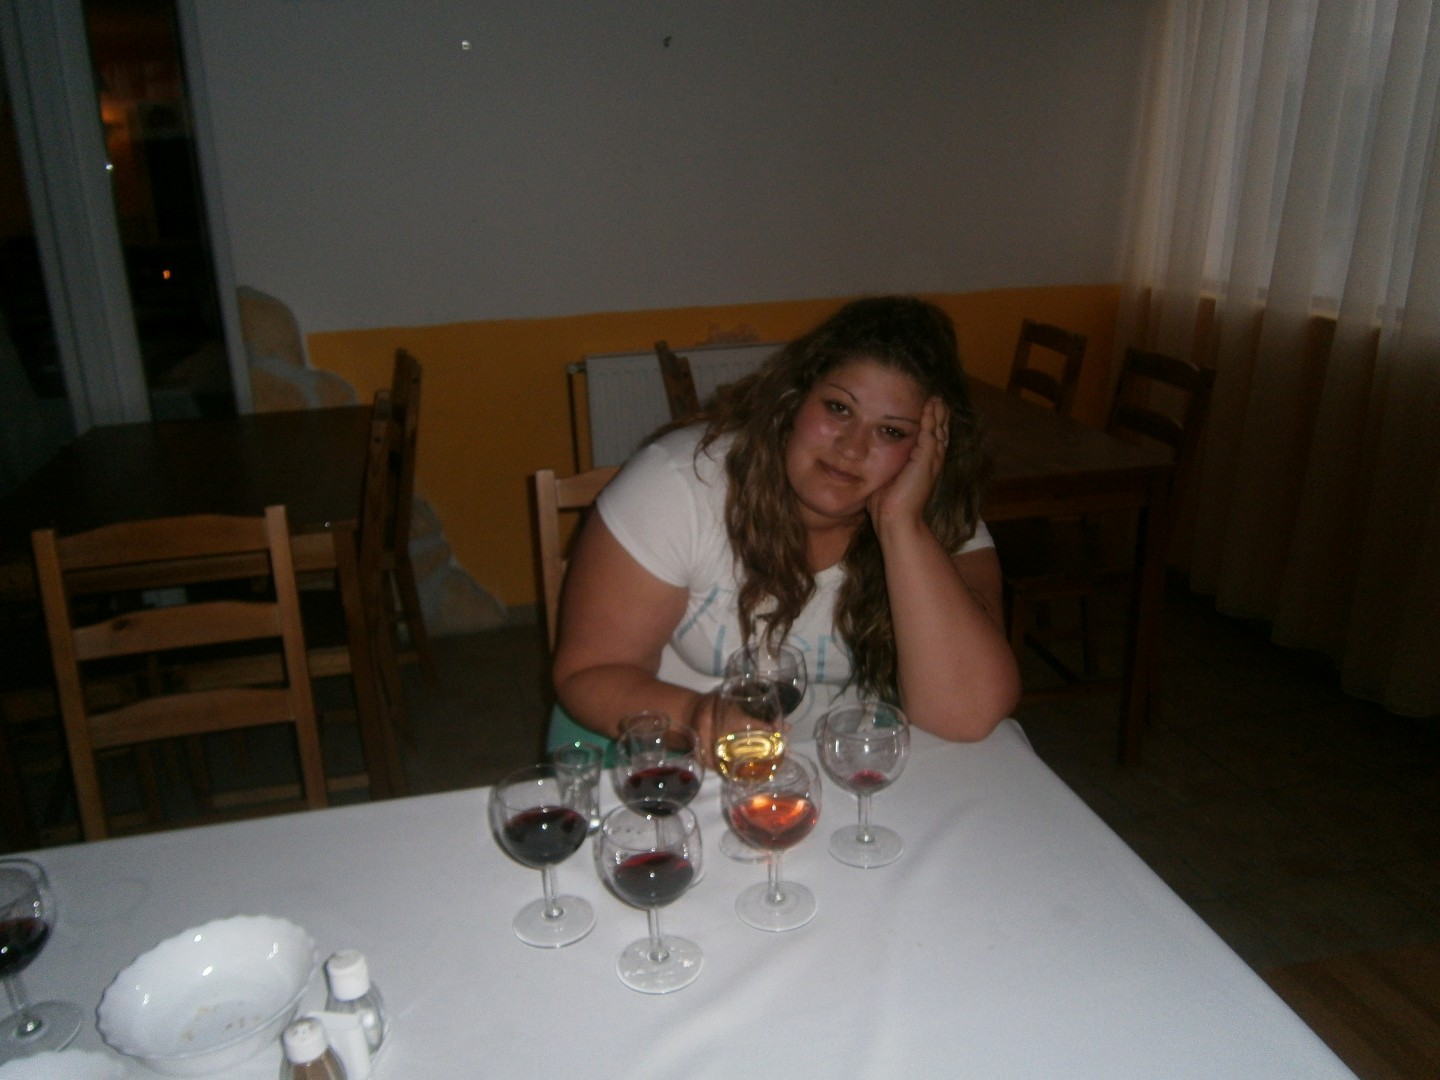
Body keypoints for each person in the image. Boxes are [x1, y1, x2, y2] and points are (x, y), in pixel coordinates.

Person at [547, 295, 1020, 759]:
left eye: (891, 431)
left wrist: (901, 527)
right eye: (838, 408)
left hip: (844, 765)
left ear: (928, 450)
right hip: (672, 757)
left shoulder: (935, 518)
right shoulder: (680, 485)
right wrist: (698, 717)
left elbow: (965, 716)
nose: (851, 448)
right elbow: (591, 671)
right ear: (794, 400)